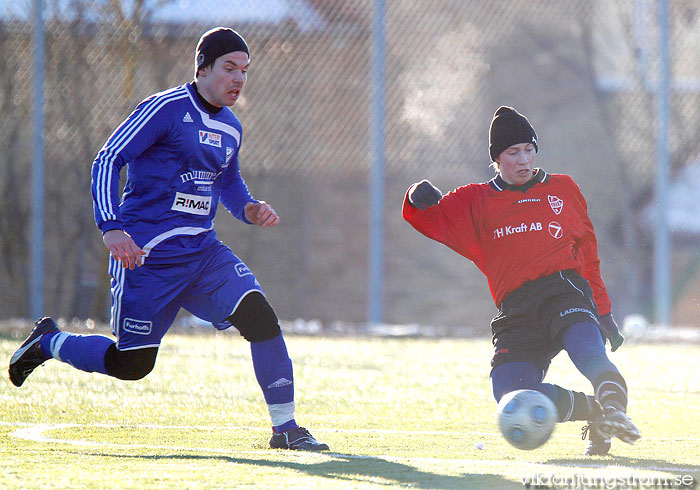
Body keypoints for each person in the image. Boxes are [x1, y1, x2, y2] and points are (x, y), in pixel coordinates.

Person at [9, 27, 328, 452]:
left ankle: (285, 428)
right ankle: (49, 341)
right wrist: (112, 227)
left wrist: (248, 207)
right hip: (146, 258)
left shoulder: (231, 127)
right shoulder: (164, 109)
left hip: (202, 253)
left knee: (261, 318)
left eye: (245, 71)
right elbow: (107, 159)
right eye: (229, 68)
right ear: (202, 67)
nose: (238, 79)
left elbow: (227, 182)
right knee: (132, 365)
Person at [402, 106, 639, 456]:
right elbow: (423, 217)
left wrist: (603, 311)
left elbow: (588, 252)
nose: (523, 159)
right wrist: (414, 193)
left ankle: (617, 410)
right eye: (513, 152)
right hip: (516, 310)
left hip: (563, 291)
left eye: (529, 149)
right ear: (497, 159)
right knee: (511, 397)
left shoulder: (563, 188)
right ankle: (599, 413)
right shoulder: (475, 200)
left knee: (589, 354)